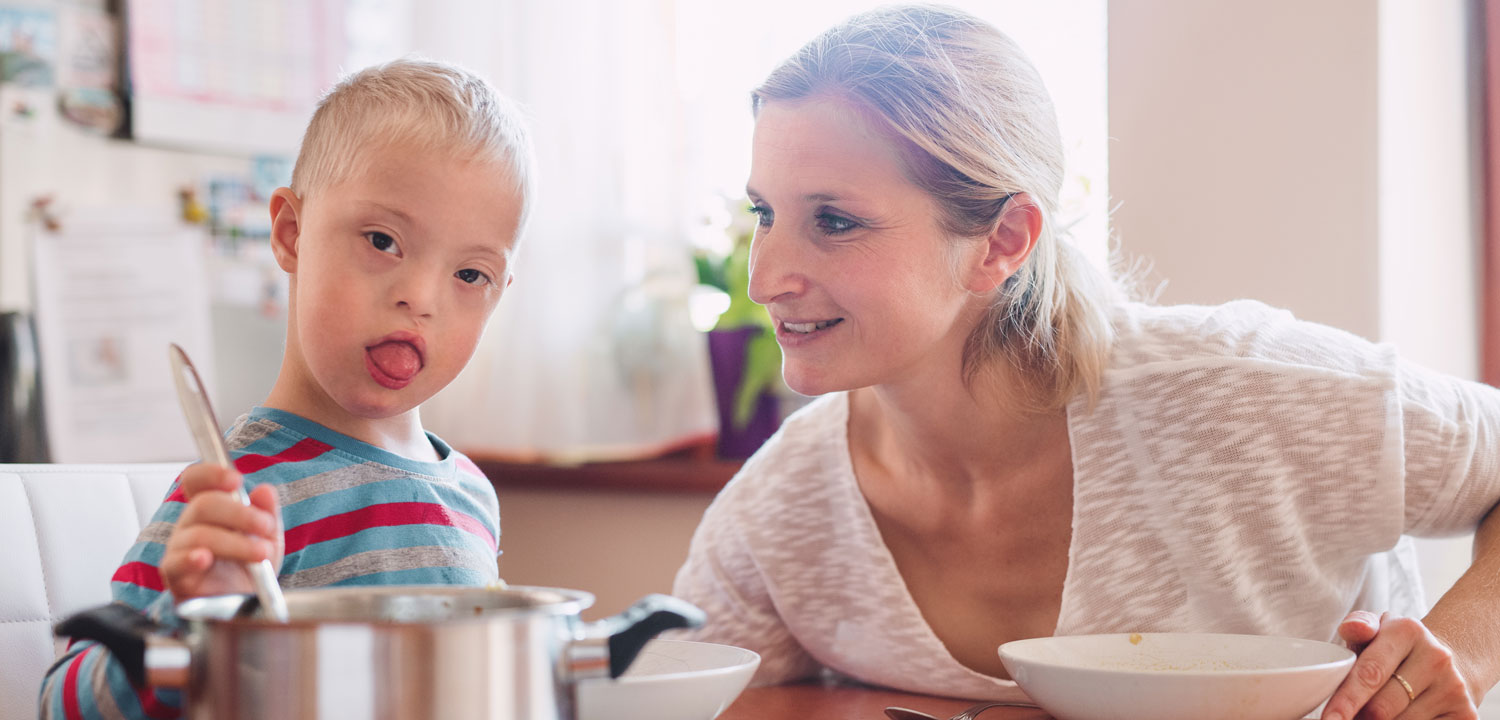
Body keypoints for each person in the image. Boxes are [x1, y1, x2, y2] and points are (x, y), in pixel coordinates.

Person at [670, 6, 1500, 720]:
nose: (765, 276)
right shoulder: (784, 510)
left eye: (836, 221)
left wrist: (1460, 655)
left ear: (1002, 240)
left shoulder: (1251, 395)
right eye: (765, 211)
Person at [38, 56, 532, 720]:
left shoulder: (472, 493)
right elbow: (61, 702)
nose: (419, 298)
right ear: (291, 233)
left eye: (470, 276)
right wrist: (191, 621)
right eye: (383, 240)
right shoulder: (233, 493)